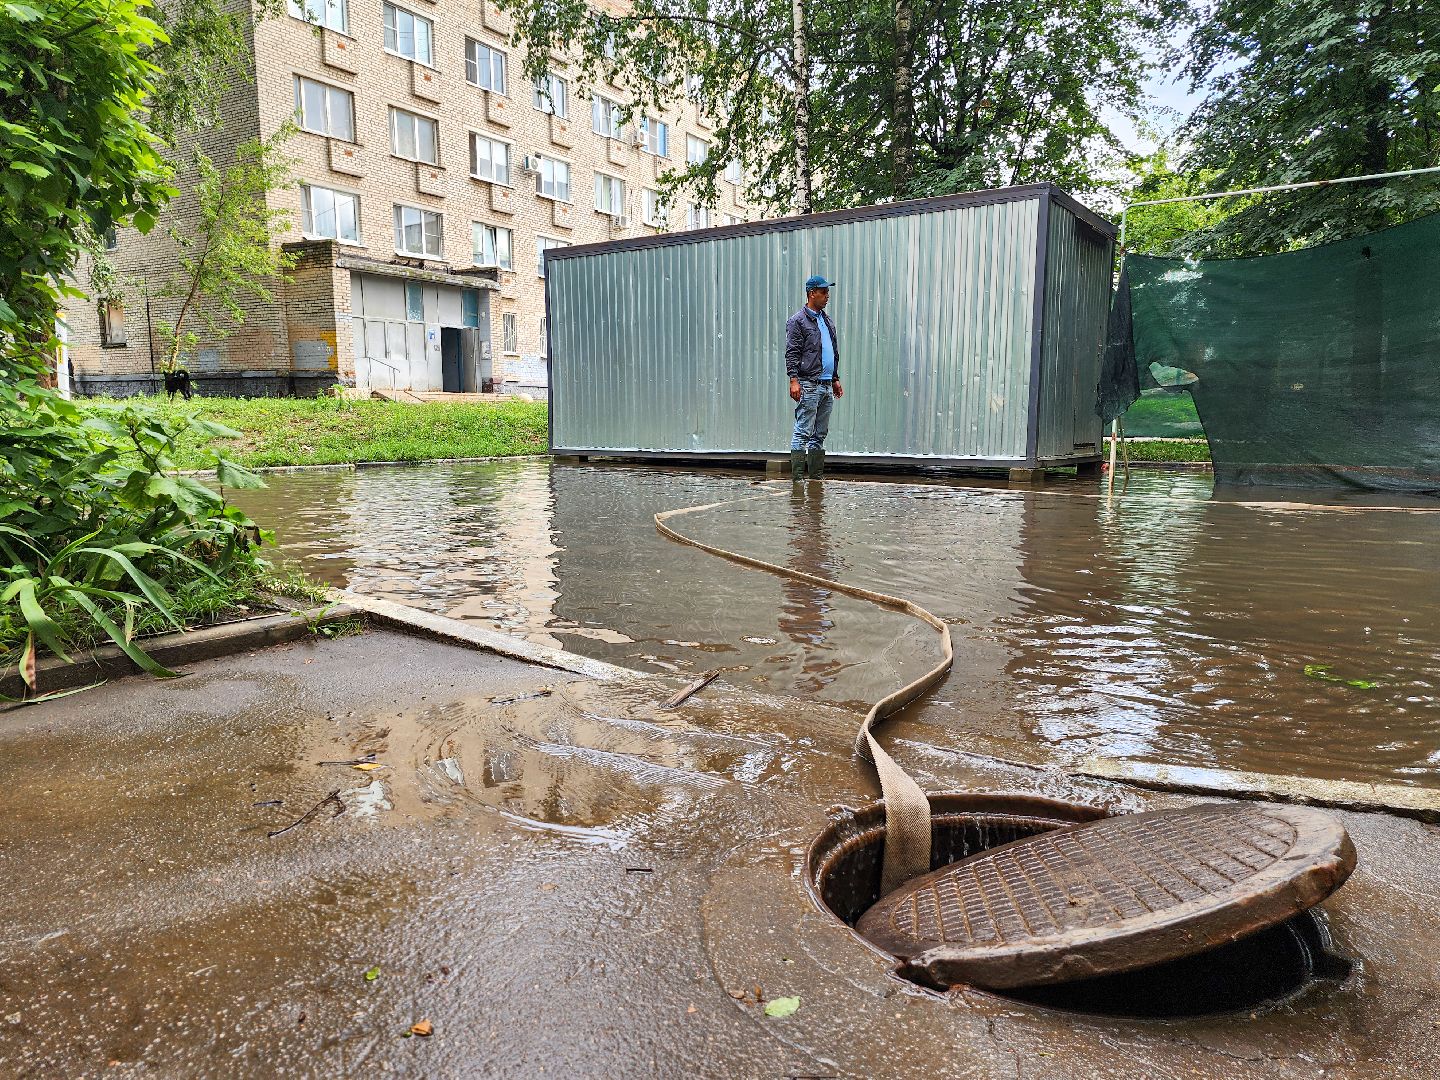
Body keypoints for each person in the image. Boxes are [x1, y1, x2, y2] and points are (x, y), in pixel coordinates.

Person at [784, 275, 843, 481]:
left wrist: (834, 378)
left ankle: (816, 479)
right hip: (808, 384)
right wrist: (794, 380)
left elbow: (831, 350)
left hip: (826, 385)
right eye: (824, 292)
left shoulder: (826, 320)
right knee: (803, 432)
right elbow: (792, 352)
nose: (827, 296)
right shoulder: (797, 321)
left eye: (827, 292)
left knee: (820, 435)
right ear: (812, 294)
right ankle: (798, 482)